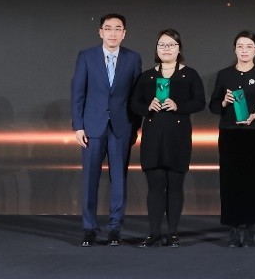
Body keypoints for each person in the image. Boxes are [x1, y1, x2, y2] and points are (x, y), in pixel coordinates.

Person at [127, 29, 204, 246]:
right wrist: (147, 107)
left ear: (179, 49)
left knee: (175, 185)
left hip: (178, 137)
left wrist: (179, 106)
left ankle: (172, 233)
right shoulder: (147, 76)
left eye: (171, 45)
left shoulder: (190, 74)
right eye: (162, 45)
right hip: (153, 136)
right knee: (155, 186)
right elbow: (134, 103)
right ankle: (154, 233)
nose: (166, 48)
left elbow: (199, 102)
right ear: (156, 49)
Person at [70, 13, 141, 245]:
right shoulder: (86, 56)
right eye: (108, 28)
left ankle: (115, 228)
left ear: (124, 33)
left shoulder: (133, 58)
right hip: (92, 126)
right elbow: (78, 92)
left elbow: (136, 96)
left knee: (119, 179)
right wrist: (78, 126)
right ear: (100, 32)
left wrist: (135, 126)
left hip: (121, 126)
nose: (112, 33)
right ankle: (89, 228)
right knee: (90, 179)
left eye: (117, 28)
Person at [213, 31, 255, 246]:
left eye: (249, 46)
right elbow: (213, 105)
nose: (244, 50)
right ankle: (233, 230)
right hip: (230, 134)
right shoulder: (224, 75)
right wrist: (224, 102)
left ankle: (250, 229)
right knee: (230, 181)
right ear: (235, 49)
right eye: (240, 46)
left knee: (253, 182)